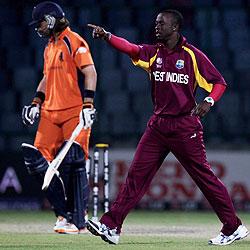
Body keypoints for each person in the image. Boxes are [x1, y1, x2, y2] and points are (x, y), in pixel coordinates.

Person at [86, 9, 249, 245]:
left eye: (161, 24)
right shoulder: (153, 53)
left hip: (185, 126)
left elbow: (219, 83)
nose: (157, 27)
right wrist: (108, 36)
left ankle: (233, 227)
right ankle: (111, 226)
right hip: (158, 126)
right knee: (136, 176)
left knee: (204, 177)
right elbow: (131, 48)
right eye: (156, 23)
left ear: (175, 28)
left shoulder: (192, 56)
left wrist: (208, 101)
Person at [21, 1, 97, 234]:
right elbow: (46, 77)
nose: (39, 28)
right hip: (49, 114)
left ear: (52, 19)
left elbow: (90, 72)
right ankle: (64, 215)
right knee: (36, 163)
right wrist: (36, 102)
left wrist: (88, 104)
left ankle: (79, 220)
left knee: (73, 162)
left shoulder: (73, 41)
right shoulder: (49, 46)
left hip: (74, 111)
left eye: (41, 22)